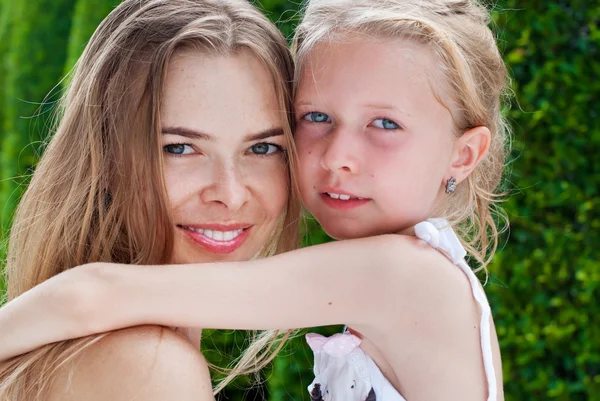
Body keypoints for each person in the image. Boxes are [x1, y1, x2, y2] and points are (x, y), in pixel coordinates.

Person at [0, 0, 511, 400]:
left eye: (385, 124)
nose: (339, 157)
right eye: (316, 118)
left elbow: (95, 290)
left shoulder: (403, 275)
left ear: (464, 155)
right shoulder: (146, 366)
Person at [0, 0, 301, 400]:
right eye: (179, 148)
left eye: (263, 148)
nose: (230, 194)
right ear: (103, 154)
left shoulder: (91, 351)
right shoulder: (150, 368)